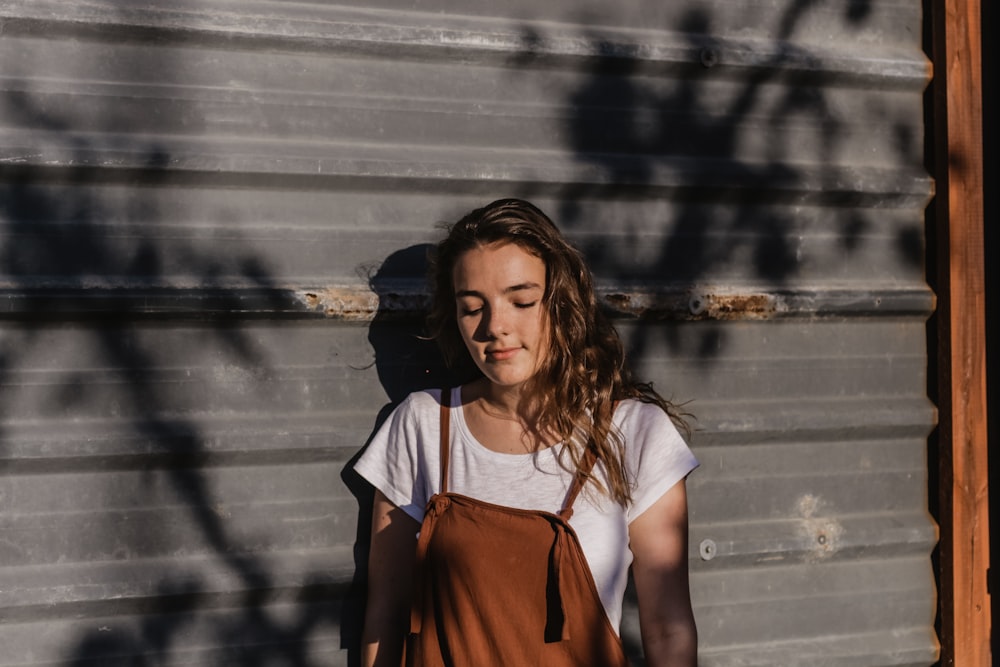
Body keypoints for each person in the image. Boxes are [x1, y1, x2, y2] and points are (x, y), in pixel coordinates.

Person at [355, 199, 698, 666]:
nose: (496, 327)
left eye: (522, 301)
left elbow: (667, 629)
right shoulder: (421, 425)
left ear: (562, 301)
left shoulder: (634, 434)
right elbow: (386, 615)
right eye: (472, 308)